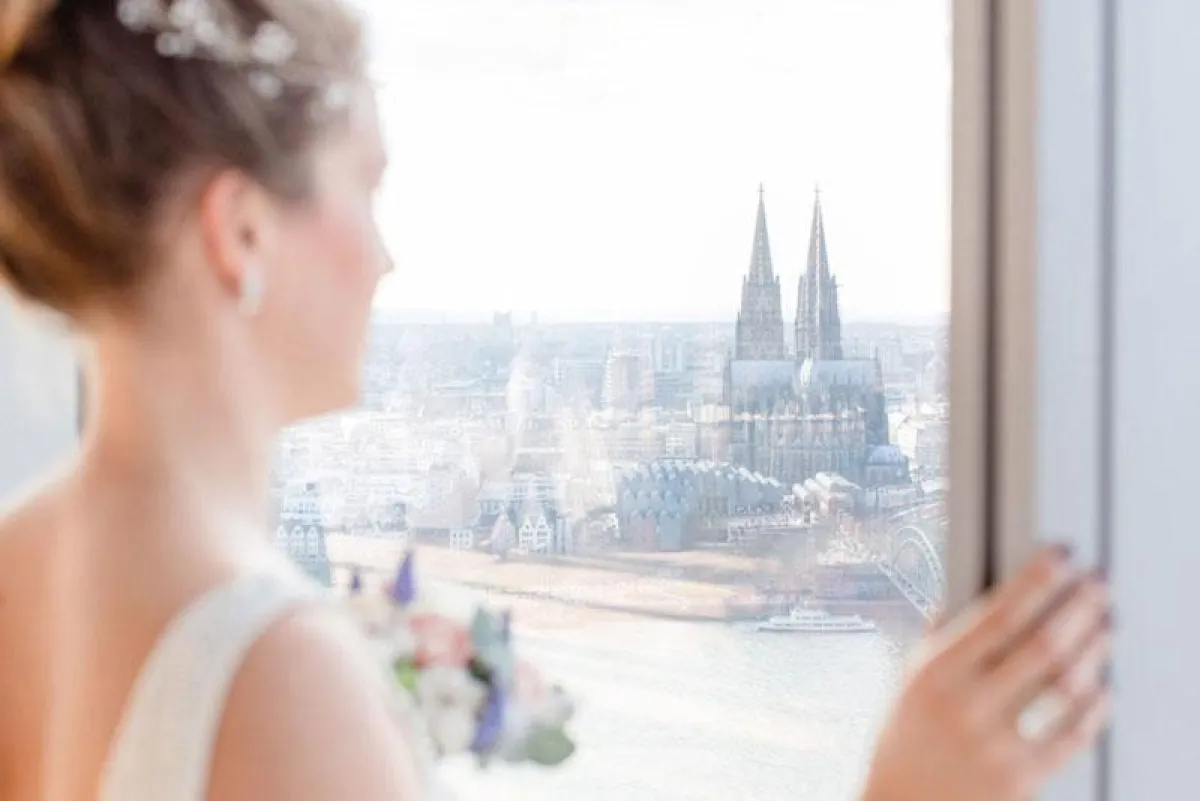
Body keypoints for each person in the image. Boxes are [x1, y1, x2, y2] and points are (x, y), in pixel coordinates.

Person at [0, 1, 1111, 800]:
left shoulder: (20, 561)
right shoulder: (275, 675)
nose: (389, 258)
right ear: (240, 231)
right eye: (367, 186)